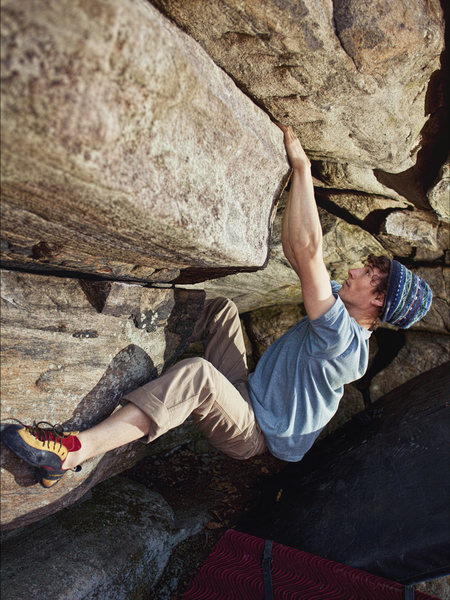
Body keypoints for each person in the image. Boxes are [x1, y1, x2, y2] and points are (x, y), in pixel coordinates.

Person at [1, 125, 433, 487]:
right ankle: (140, 334)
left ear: (376, 300)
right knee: (222, 310)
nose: (358, 270)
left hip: (255, 433)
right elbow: (297, 250)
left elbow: (307, 251)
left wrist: (302, 169)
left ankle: (73, 451)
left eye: (370, 275)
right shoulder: (344, 313)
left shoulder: (342, 338)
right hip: (251, 395)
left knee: (198, 376)